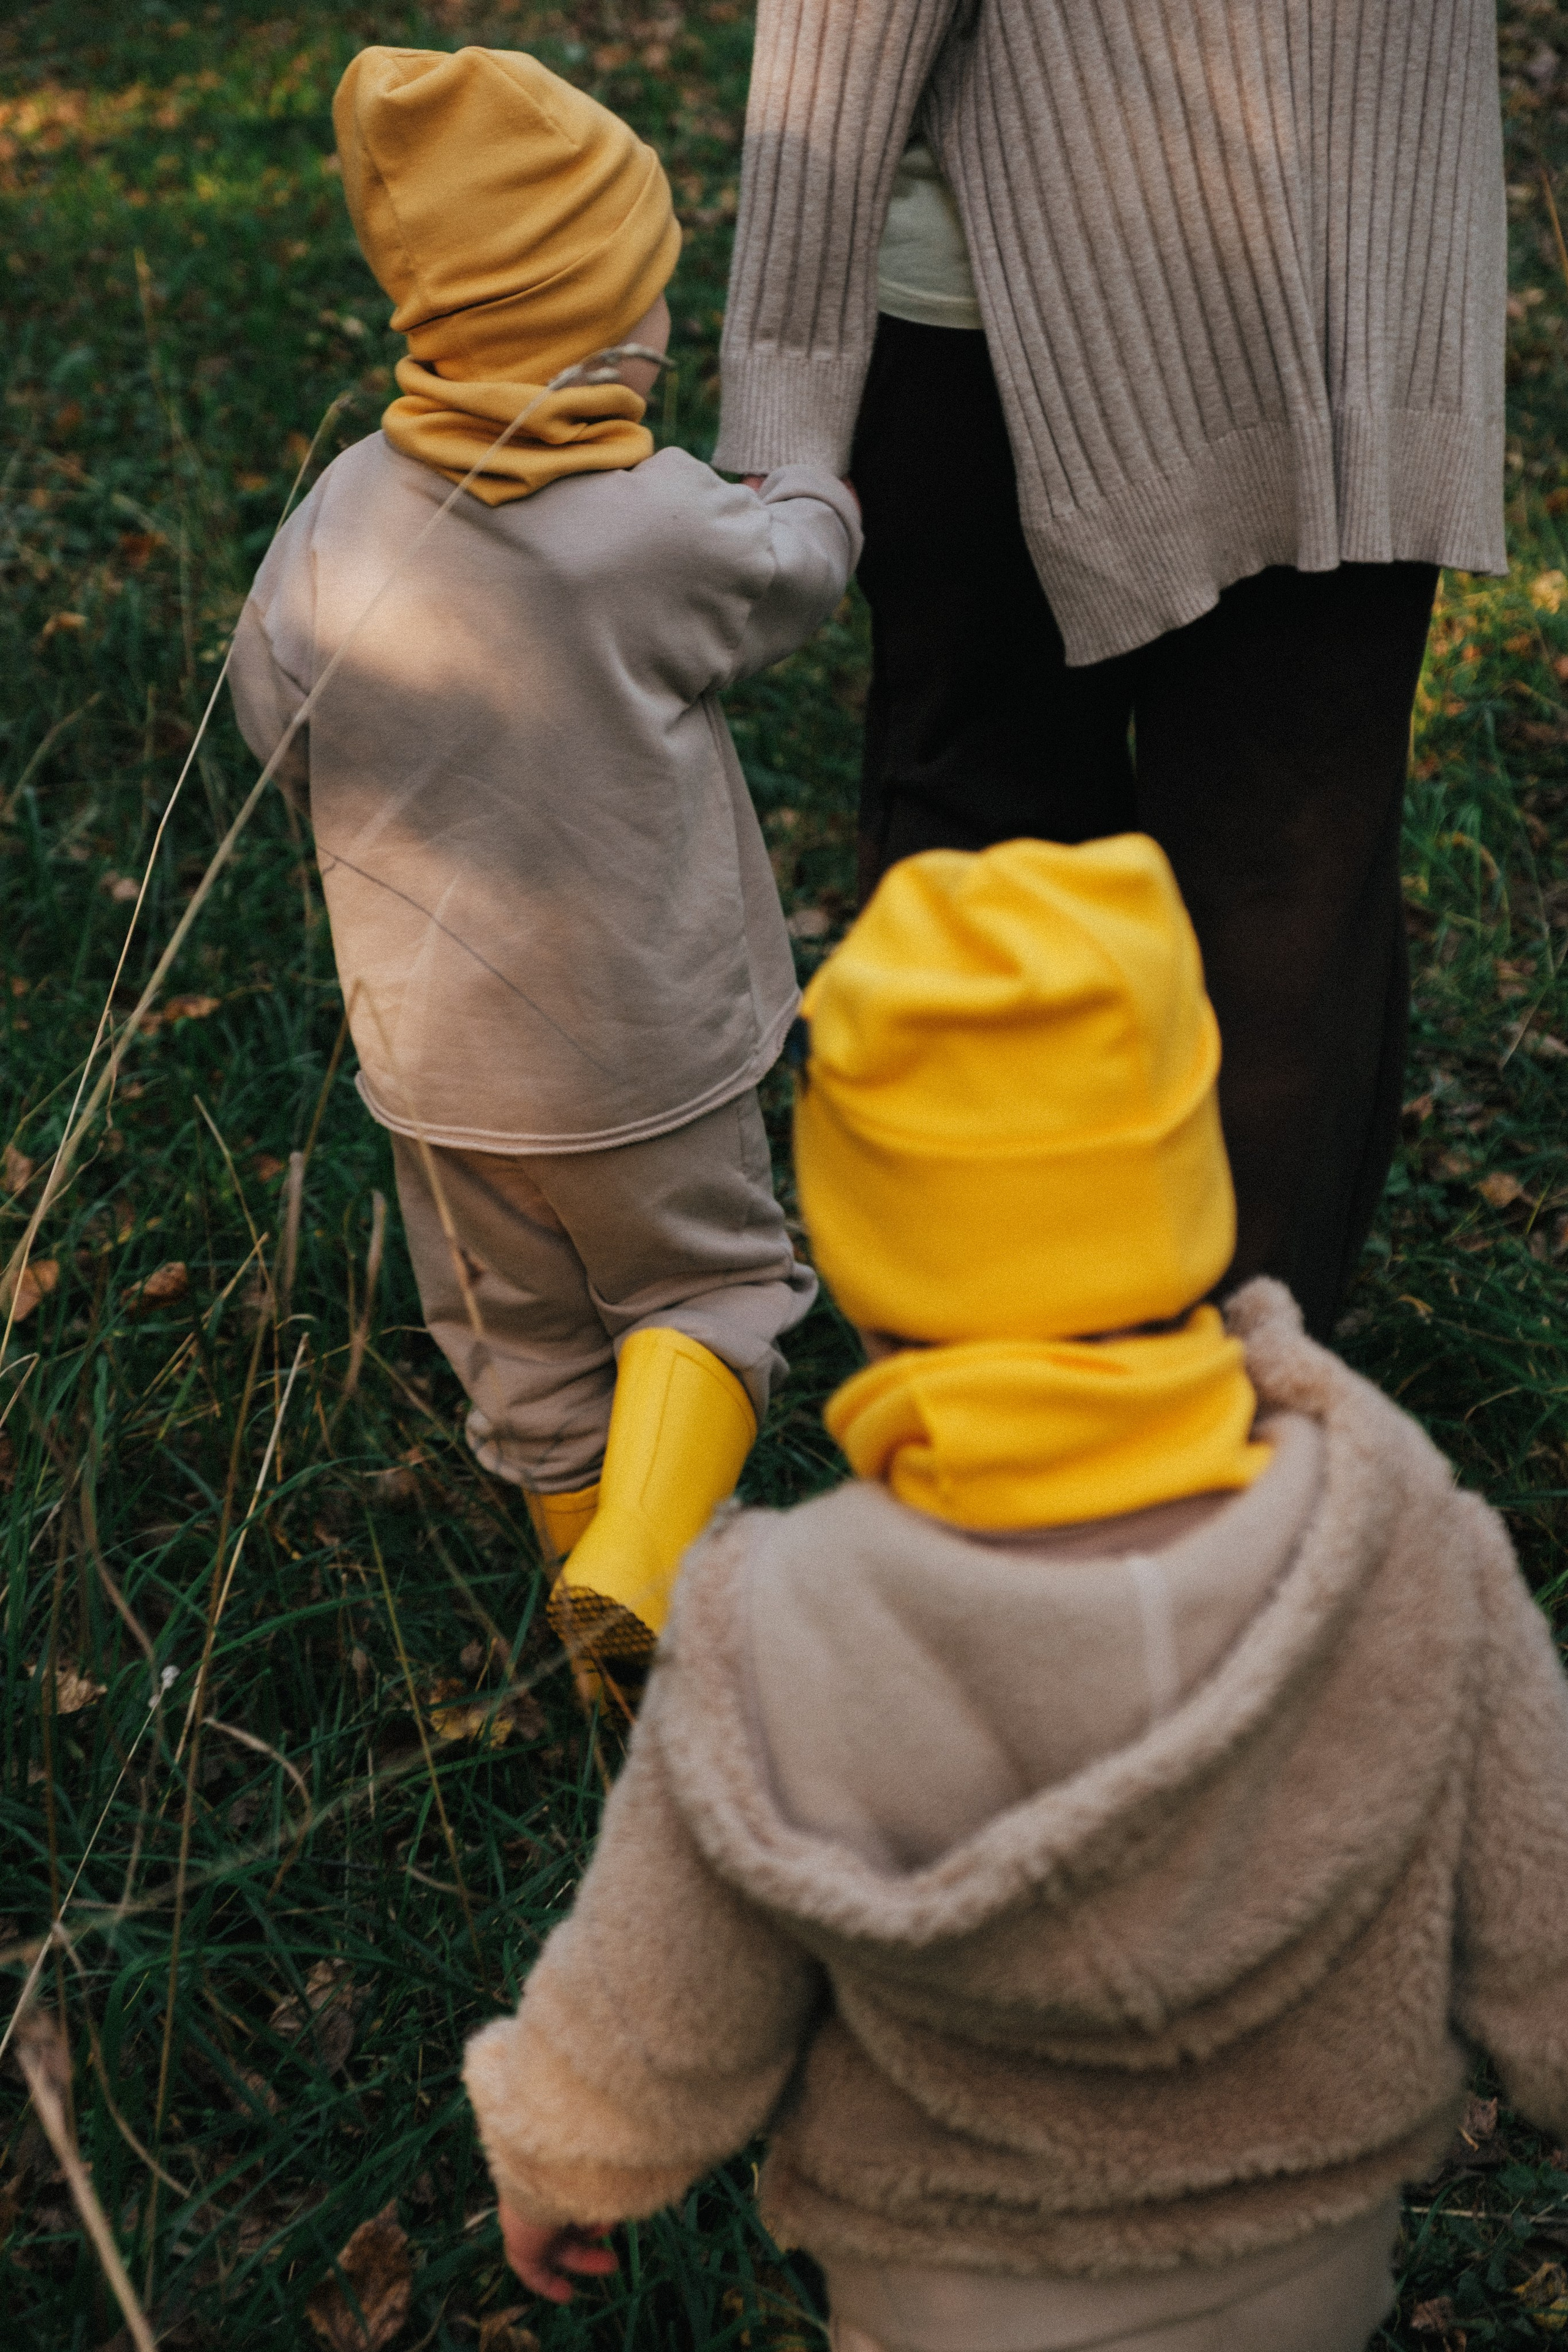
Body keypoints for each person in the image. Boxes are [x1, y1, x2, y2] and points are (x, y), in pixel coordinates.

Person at [463, 835, 1568, 2352]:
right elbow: (1543, 1902)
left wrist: (570, 2150)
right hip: (1300, 2256)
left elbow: (667, 1982)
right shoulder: (1395, 1540)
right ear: (1187, 1176)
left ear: (860, 1258)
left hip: (941, 2284)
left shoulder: (775, 1623)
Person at [714, 0, 1507, 1342]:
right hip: (1368, 265)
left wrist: (786, 374)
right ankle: (1236, 1455)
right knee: (1282, 880)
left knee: (996, 857)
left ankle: (1002, 1428)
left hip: (1035, 292)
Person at [228, 44, 861, 1670]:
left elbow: (271, 726)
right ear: (595, 319)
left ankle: (596, 1664)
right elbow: (790, 577)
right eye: (645, 290)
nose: (660, 318)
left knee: (525, 1354)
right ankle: (647, 1567)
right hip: (650, 1050)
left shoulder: (343, 517)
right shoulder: (654, 524)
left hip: (435, 1063)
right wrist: (811, 482)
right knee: (711, 1296)